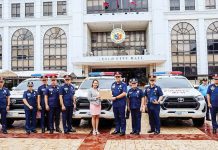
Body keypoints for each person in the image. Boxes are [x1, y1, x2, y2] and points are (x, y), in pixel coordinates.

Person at [111, 71, 127, 136]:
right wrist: (110, 96)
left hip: (121, 104)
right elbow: (111, 93)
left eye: (119, 76)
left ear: (121, 77)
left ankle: (123, 131)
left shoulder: (124, 84)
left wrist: (116, 97)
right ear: (114, 77)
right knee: (116, 117)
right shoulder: (113, 84)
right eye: (116, 76)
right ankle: (117, 129)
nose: (117, 77)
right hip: (115, 104)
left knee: (122, 117)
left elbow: (124, 93)